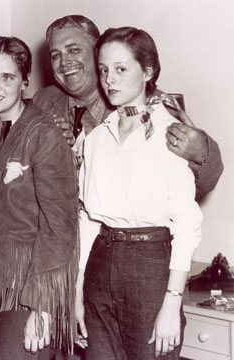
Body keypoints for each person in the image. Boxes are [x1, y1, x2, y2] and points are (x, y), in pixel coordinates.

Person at [77, 27, 203, 359]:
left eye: (121, 69)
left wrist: (172, 304)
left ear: (147, 72)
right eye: (104, 70)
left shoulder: (171, 135)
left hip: (150, 267)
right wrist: (76, 294)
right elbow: (88, 220)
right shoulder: (95, 139)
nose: (109, 80)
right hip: (100, 265)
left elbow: (187, 222)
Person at [0, 36, 78, 359]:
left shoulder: (45, 135)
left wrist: (43, 306)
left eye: (7, 77)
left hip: (29, 288)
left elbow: (60, 228)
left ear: (25, 82)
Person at [33, 15, 223, 200]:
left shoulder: (149, 104)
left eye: (74, 50)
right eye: (55, 55)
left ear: (98, 53)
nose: (64, 62)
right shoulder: (44, 100)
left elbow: (201, 185)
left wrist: (200, 154)